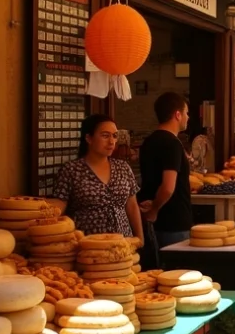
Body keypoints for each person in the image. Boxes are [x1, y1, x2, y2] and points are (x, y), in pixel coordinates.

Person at [54, 114, 144, 242]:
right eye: (105, 136)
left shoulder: (123, 167)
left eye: (114, 136)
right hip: (88, 244)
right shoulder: (71, 170)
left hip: (123, 243)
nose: (111, 141)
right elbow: (59, 205)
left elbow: (132, 205)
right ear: (89, 138)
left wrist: (140, 237)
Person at [139, 92, 193, 262]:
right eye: (186, 113)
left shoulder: (148, 141)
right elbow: (168, 186)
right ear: (177, 115)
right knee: (177, 274)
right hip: (173, 220)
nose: (188, 117)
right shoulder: (172, 144)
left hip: (152, 220)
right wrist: (155, 209)